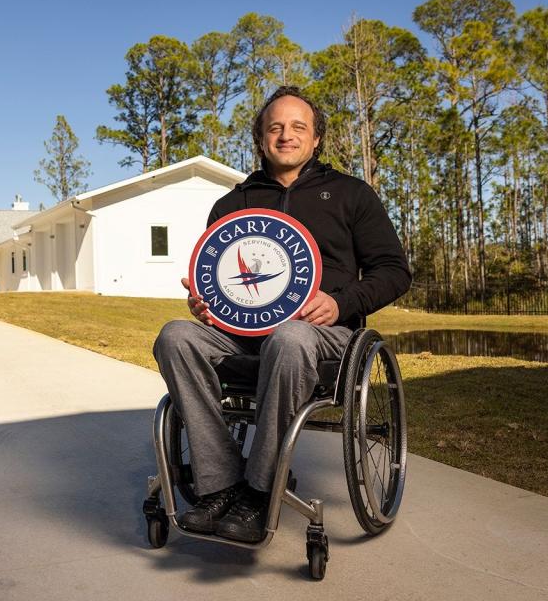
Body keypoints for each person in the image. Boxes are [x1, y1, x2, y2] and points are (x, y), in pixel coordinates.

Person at [152, 86, 411, 543]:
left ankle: (260, 487)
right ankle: (221, 484)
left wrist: (341, 302)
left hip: (322, 334)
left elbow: (394, 271)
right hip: (242, 336)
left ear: (315, 140)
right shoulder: (233, 204)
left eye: (298, 127)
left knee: (289, 337)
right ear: (261, 138)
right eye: (275, 127)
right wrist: (204, 303)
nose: (286, 135)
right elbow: (218, 273)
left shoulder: (351, 194)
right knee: (175, 335)